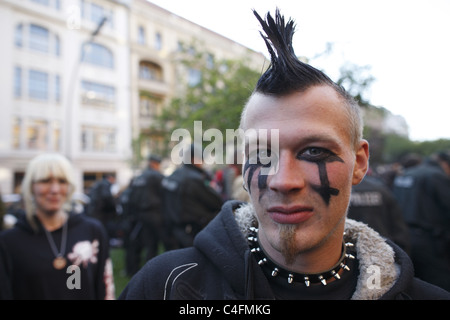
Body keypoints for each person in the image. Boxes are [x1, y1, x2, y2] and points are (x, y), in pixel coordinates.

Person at [119, 9, 449, 300]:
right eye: (262, 154)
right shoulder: (165, 286)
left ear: (359, 163)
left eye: (315, 151)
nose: (283, 181)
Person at [0, 153, 115, 299]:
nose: (55, 189)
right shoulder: (8, 242)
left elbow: (105, 289)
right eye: (45, 181)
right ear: (31, 187)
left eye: (62, 181)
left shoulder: (92, 232)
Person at [393, 151, 450, 291]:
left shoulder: (406, 174)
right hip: (431, 240)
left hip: (404, 237)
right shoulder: (436, 175)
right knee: (438, 286)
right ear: (445, 164)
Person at [161, 144, 223, 249]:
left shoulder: (173, 176)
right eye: (202, 159)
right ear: (194, 159)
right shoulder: (193, 179)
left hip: (171, 230)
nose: (203, 163)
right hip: (190, 232)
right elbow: (216, 202)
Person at [124, 155, 165, 276]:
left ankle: (149, 270)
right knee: (163, 243)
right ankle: (158, 271)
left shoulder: (139, 177)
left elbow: (131, 197)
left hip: (141, 215)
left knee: (150, 244)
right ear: (155, 163)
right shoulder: (156, 176)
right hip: (155, 214)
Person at [347, 175, 410, 253]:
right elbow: (398, 226)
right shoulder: (381, 189)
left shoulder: (341, 191)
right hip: (382, 248)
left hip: (348, 251)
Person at [84, 173, 118, 240]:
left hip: (93, 211)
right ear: (110, 178)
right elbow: (106, 197)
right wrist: (113, 208)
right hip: (100, 212)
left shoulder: (98, 183)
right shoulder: (105, 184)